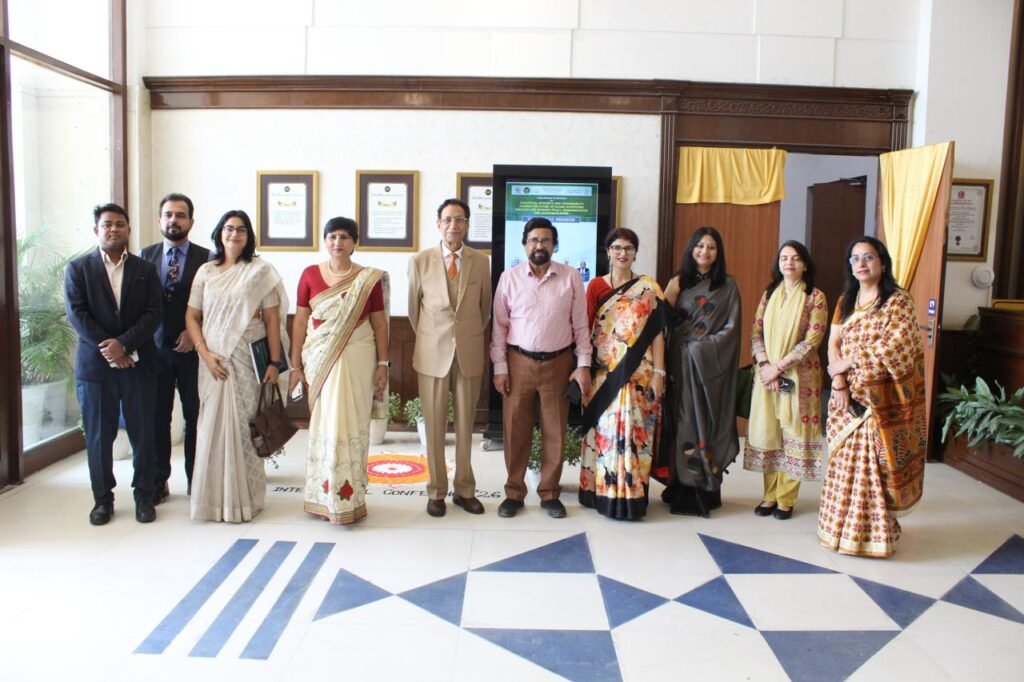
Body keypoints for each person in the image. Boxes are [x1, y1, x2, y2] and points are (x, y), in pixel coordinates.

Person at [818, 236, 926, 557]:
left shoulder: (897, 301)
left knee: (872, 466)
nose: (861, 264)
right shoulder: (846, 301)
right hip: (846, 395)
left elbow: (898, 347)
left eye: (868, 257)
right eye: (855, 258)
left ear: (882, 263)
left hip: (879, 400)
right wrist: (839, 381)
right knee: (844, 463)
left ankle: (871, 535)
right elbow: (833, 344)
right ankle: (838, 528)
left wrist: (851, 361)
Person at [185, 209, 289, 523]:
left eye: (241, 229)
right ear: (219, 233)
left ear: (248, 236)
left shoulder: (260, 271)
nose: (234, 234)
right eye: (229, 228)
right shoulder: (205, 271)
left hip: (246, 360)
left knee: (245, 429)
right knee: (211, 429)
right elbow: (192, 316)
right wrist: (204, 353)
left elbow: (272, 321)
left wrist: (274, 362)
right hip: (212, 362)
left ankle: (246, 500)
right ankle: (212, 502)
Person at [65, 203, 163, 525]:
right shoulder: (78, 269)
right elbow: (77, 315)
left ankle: (144, 497)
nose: (113, 229)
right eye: (107, 224)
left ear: (128, 229)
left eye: (120, 224)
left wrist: (125, 345)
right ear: (97, 230)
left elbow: (154, 314)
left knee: (143, 434)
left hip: (139, 365)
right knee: (98, 437)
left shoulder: (145, 269)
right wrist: (111, 348)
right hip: (95, 369)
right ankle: (102, 500)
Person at [290, 217, 389, 525]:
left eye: (345, 236)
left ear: (354, 242)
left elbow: (379, 323)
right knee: (326, 424)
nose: (338, 242)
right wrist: (295, 366)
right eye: (332, 236)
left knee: (351, 424)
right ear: (324, 240)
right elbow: (300, 321)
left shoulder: (368, 279)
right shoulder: (309, 274)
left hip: (359, 359)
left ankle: (350, 498)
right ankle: (322, 496)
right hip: (320, 359)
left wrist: (383, 364)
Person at [491, 216, 592, 519]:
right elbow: (499, 327)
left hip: (558, 364)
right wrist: (500, 367)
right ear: (524, 244)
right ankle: (514, 493)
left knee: (555, 431)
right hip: (518, 362)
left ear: (554, 245)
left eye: (546, 240)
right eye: (534, 240)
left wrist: (583, 365)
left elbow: (581, 325)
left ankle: (549, 493)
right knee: (515, 431)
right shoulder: (509, 278)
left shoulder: (571, 277)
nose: (540, 245)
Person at [408, 199, 491, 517]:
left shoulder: (480, 262)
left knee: (466, 426)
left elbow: (484, 310)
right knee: (434, 426)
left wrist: (465, 335)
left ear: (467, 225)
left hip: (468, 352)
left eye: (459, 220)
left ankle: (465, 490)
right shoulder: (420, 261)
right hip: (432, 354)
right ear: (438, 224)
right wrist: (433, 338)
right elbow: (414, 311)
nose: (453, 225)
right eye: (447, 220)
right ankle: (436, 491)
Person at [579, 228, 666, 520]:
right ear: (608, 251)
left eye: (628, 248)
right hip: (603, 376)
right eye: (616, 247)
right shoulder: (595, 287)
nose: (622, 253)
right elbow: (585, 328)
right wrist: (582, 368)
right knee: (603, 435)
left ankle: (632, 497)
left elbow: (658, 334)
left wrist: (659, 373)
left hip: (639, 376)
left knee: (634, 436)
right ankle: (600, 492)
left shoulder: (649, 288)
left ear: (636, 252)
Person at [654, 226, 741, 517]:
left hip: (708, 370)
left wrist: (698, 349)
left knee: (704, 423)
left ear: (718, 252)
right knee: (682, 422)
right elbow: (662, 322)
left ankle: (703, 487)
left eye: (711, 247)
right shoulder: (678, 281)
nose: (705, 252)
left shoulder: (727, 286)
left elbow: (731, 331)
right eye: (700, 246)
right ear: (692, 249)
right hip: (679, 366)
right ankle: (681, 484)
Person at [743, 240, 827, 520]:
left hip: (799, 377)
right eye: (784, 258)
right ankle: (769, 496)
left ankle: (786, 500)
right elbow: (756, 332)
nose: (789, 262)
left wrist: (778, 367)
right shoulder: (769, 294)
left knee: (792, 435)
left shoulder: (815, 297)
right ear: (778, 264)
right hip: (767, 375)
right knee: (770, 433)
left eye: (795, 258)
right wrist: (765, 365)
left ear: (805, 265)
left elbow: (812, 340)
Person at [140, 192, 211, 503]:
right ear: (159, 220)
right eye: (168, 214)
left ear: (191, 222)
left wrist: (194, 333)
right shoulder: (144, 256)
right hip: (154, 352)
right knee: (158, 418)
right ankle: (159, 481)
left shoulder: (208, 259)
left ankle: (196, 480)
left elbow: (214, 305)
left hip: (192, 352)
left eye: (180, 215)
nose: (174, 220)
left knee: (195, 417)